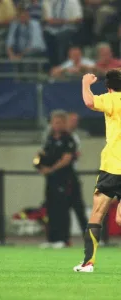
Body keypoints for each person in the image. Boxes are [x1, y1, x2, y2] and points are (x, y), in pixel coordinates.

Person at [74, 70, 121, 272]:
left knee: (97, 213)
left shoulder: (112, 98)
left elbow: (90, 102)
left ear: (109, 87)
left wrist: (85, 83)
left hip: (113, 165)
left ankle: (88, 263)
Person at [35, 110, 77, 248]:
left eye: (59, 122)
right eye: (54, 122)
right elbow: (42, 155)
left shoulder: (68, 139)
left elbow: (66, 159)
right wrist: (40, 166)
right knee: (50, 208)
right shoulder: (49, 139)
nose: (56, 125)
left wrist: (51, 169)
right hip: (50, 180)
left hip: (64, 179)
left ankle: (63, 239)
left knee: (62, 209)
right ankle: (51, 239)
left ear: (64, 123)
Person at [67, 112, 88, 238]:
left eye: (77, 121)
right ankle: (61, 238)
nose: (75, 123)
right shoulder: (55, 135)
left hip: (71, 175)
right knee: (60, 209)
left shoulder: (74, 138)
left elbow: (75, 155)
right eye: (73, 120)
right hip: (60, 176)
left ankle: (88, 236)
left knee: (78, 207)